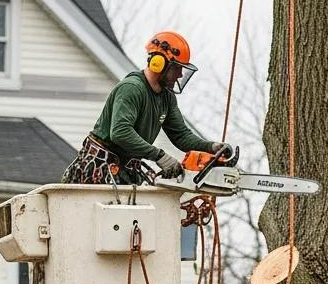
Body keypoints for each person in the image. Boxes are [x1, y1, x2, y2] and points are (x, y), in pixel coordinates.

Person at [62, 30, 235, 186]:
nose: (180, 75)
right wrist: (159, 156)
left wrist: (211, 147)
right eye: (177, 68)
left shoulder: (167, 97)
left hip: (127, 169)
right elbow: (120, 132)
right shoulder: (132, 88)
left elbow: (181, 135)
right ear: (159, 63)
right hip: (100, 169)